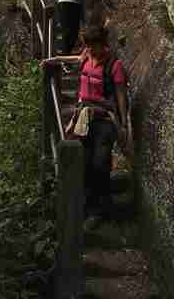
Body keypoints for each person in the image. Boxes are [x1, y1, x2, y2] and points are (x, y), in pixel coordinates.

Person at [43, 26, 128, 217]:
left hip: (104, 118)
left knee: (101, 161)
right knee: (85, 160)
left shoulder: (114, 65)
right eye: (88, 46)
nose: (90, 50)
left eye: (93, 46)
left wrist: (122, 122)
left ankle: (104, 205)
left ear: (102, 44)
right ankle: (89, 203)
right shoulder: (86, 56)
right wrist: (55, 60)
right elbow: (74, 59)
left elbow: (121, 94)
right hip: (84, 117)